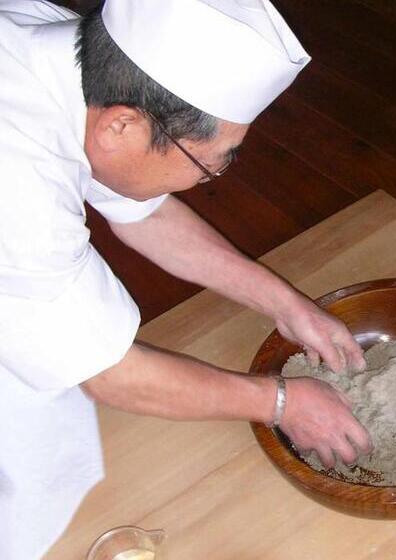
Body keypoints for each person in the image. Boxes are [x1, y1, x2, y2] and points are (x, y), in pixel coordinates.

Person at [0, 1, 372, 558]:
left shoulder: (67, 62)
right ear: (123, 125)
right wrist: (281, 404)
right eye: (209, 165)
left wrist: (285, 303)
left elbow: (137, 206)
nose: (210, 179)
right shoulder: (17, 187)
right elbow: (110, 372)